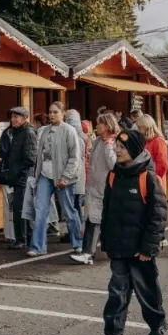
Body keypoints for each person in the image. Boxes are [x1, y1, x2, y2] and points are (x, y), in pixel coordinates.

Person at [98, 130, 168, 335]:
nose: (116, 150)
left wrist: (149, 248)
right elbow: (107, 212)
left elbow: (158, 216)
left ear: (135, 151)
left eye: (122, 147)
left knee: (147, 292)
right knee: (116, 292)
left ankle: (158, 325)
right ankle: (113, 334)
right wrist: (106, 241)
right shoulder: (113, 175)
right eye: (116, 146)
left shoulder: (147, 177)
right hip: (118, 247)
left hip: (140, 249)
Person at [28, 101, 82, 257]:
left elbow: (74, 157)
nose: (51, 115)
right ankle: (38, 246)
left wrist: (66, 177)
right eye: (50, 112)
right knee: (40, 210)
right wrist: (35, 175)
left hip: (63, 176)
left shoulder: (69, 130)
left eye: (55, 112)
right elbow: (38, 155)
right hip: (45, 174)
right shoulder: (43, 131)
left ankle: (78, 243)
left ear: (62, 113)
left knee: (69, 211)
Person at [71, 112, 118, 265]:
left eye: (99, 124)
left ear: (107, 125)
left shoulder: (113, 143)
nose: (96, 126)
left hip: (105, 188)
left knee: (97, 219)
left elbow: (113, 165)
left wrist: (109, 147)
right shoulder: (98, 140)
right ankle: (97, 251)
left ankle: (89, 252)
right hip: (94, 187)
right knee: (95, 219)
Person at [0, 107, 38, 250]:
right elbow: (4, 152)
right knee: (20, 208)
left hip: (23, 176)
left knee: (21, 208)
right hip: (18, 175)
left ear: (25, 118)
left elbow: (30, 158)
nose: (13, 119)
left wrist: (18, 171)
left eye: (16, 117)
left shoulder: (28, 133)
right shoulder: (15, 132)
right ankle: (25, 237)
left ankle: (22, 239)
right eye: (12, 117)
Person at [135, 114, 168, 250]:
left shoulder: (158, 141)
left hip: (155, 179)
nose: (138, 129)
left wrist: (155, 178)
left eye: (140, 127)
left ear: (146, 127)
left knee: (155, 209)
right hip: (144, 179)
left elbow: (163, 164)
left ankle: (160, 236)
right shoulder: (144, 140)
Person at [66, 109, 88, 227]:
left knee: (75, 205)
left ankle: (77, 231)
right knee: (76, 205)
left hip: (75, 178)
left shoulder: (76, 138)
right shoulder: (82, 137)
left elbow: (74, 160)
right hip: (79, 177)